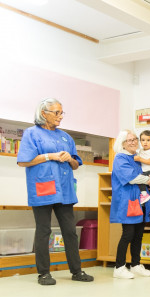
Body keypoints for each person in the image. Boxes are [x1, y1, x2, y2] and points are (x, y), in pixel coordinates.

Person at [16, 98, 94, 285]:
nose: (60, 116)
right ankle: (43, 273)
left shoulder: (65, 137)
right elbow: (23, 161)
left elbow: (76, 165)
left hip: (65, 190)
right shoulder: (31, 133)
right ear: (44, 113)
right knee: (43, 231)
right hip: (43, 188)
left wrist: (69, 159)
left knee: (70, 231)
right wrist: (49, 156)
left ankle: (77, 271)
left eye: (61, 113)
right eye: (56, 113)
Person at [110, 130, 150, 279]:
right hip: (127, 200)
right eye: (128, 140)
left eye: (134, 139)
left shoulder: (137, 157)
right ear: (122, 143)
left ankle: (136, 265)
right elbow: (130, 177)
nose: (132, 142)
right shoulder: (120, 158)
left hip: (141, 200)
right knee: (128, 234)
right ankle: (119, 267)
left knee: (139, 234)